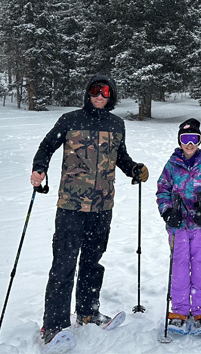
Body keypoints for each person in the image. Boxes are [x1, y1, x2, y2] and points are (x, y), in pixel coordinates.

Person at [30, 73, 149, 350]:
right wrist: (39, 168)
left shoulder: (116, 124)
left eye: (106, 92)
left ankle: (87, 311)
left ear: (111, 96)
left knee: (92, 263)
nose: (100, 95)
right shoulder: (70, 120)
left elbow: (121, 157)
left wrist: (134, 169)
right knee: (64, 264)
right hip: (71, 206)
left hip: (102, 206)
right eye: (95, 90)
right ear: (88, 93)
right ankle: (54, 324)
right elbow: (47, 146)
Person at [155, 118, 201, 336]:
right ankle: (180, 310)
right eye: (186, 139)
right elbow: (162, 190)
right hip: (178, 225)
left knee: (200, 264)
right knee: (179, 265)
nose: (190, 144)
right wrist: (167, 212)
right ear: (180, 141)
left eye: (194, 139)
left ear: (199, 140)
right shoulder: (172, 164)